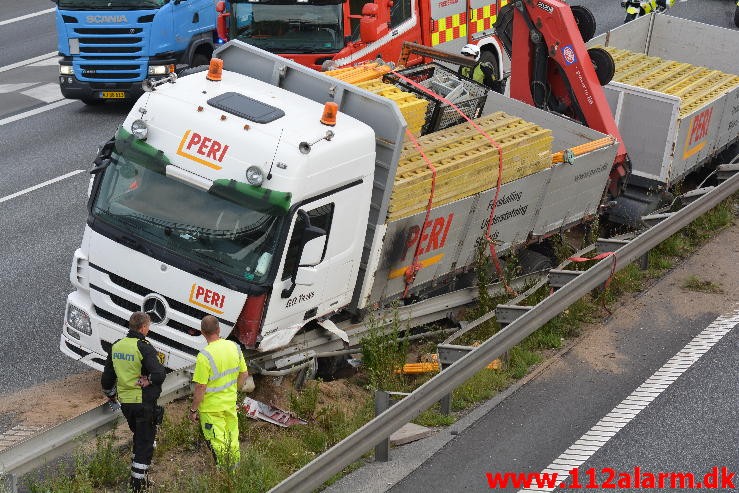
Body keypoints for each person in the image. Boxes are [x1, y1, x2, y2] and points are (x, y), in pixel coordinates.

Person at [101, 311, 166, 492]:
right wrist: (150, 380)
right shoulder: (143, 346)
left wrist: (111, 395)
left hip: (126, 404)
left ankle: (139, 479)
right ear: (144, 327)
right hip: (143, 402)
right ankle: (138, 486)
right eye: (148, 327)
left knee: (140, 439)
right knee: (145, 444)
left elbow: (107, 380)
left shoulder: (117, 346)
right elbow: (160, 374)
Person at [189, 315, 249, 469]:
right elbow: (244, 374)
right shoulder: (234, 347)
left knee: (218, 443)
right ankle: (235, 473)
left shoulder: (205, 356)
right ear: (219, 329)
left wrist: (193, 409)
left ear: (202, 332)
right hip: (230, 403)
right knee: (232, 439)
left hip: (211, 409)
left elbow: (200, 387)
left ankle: (226, 477)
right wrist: (234, 392)